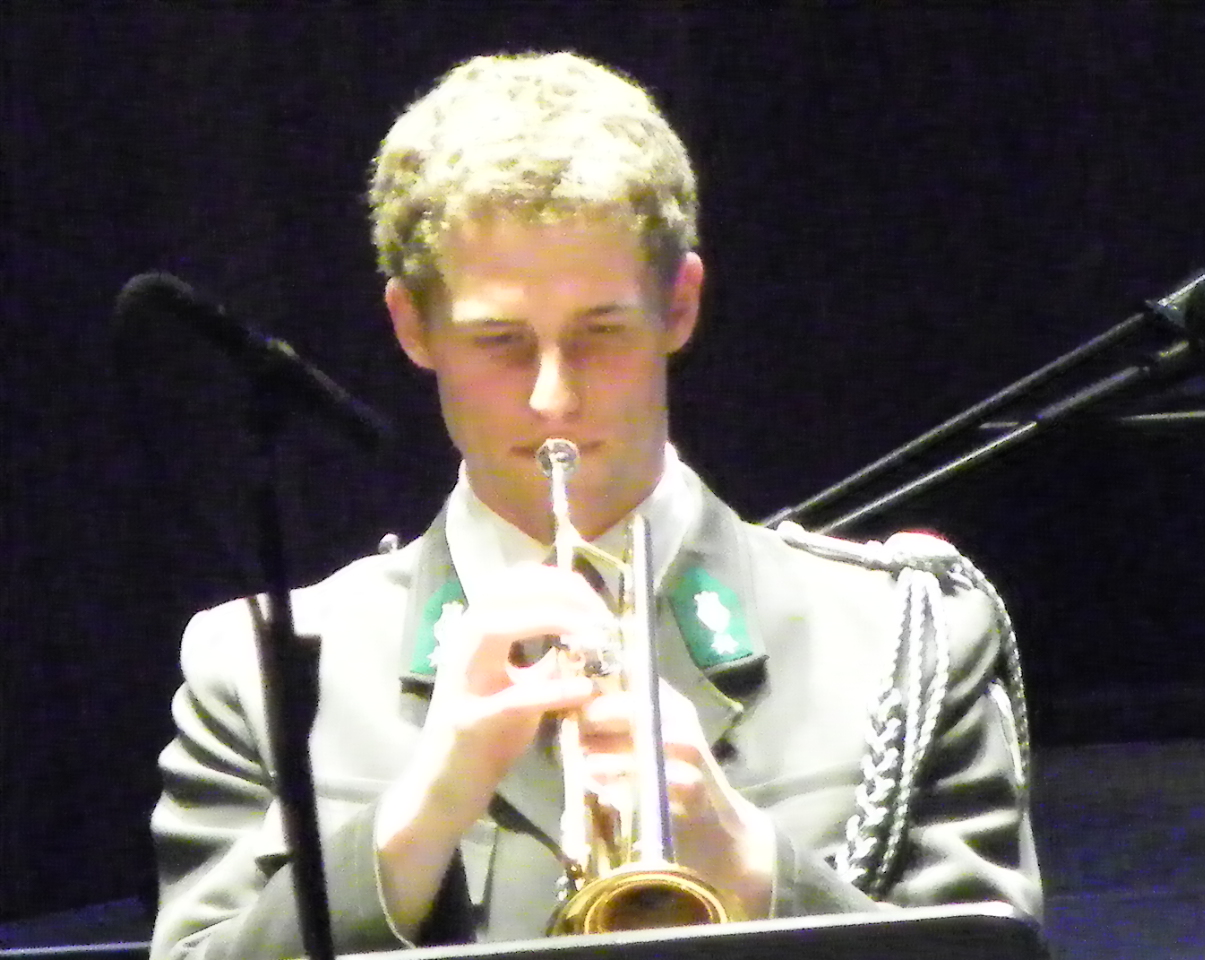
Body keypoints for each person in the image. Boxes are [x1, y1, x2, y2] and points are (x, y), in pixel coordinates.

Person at [149, 51, 1041, 960]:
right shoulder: (262, 673)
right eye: (499, 340)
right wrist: (417, 816)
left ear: (680, 306)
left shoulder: (905, 641)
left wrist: (748, 861)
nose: (553, 398)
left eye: (601, 333)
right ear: (411, 327)